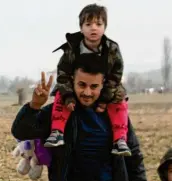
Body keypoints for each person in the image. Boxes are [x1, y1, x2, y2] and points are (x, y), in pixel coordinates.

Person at [10, 64, 152, 181]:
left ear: (103, 85)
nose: (87, 92)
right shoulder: (58, 113)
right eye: (82, 85)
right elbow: (21, 132)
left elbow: (134, 156)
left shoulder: (116, 116)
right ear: (72, 82)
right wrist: (34, 106)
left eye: (94, 86)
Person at [44, 4, 131, 158]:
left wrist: (104, 99)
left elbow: (116, 75)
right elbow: (63, 73)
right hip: (75, 85)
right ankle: (57, 131)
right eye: (88, 24)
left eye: (99, 24)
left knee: (120, 98)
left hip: (105, 88)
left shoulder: (112, 49)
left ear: (105, 27)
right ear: (81, 27)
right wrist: (68, 96)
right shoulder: (72, 48)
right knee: (59, 93)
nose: (93, 28)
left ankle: (120, 140)